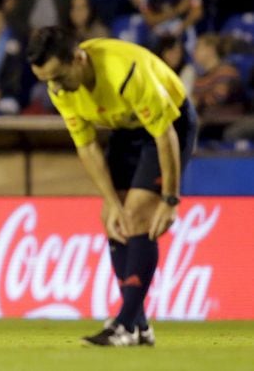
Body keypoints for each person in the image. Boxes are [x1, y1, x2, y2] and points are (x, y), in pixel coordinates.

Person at [27, 25, 198, 346]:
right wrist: (110, 201)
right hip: (126, 128)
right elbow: (88, 146)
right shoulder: (60, 89)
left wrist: (170, 199)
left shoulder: (126, 73)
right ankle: (139, 326)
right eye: (47, 80)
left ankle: (124, 324)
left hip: (169, 125)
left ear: (78, 59)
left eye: (59, 76)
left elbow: (164, 134)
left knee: (137, 214)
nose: (55, 88)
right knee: (113, 219)